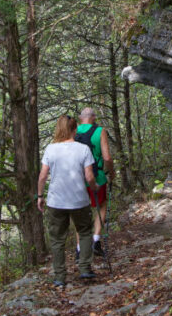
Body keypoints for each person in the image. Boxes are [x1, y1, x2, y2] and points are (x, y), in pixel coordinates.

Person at [37, 115, 99, 287]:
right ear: (75, 129)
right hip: (79, 199)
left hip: (56, 201)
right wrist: (94, 187)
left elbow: (43, 175)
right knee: (85, 232)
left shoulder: (50, 149)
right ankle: (85, 268)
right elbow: (89, 176)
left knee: (57, 239)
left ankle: (59, 276)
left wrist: (40, 196)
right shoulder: (83, 149)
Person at [75, 107, 114, 257]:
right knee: (101, 206)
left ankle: (79, 249)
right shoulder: (100, 131)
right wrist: (111, 172)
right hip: (97, 176)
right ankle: (96, 240)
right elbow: (107, 158)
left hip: (77, 178)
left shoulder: (74, 131)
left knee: (80, 212)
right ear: (94, 117)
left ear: (80, 118)